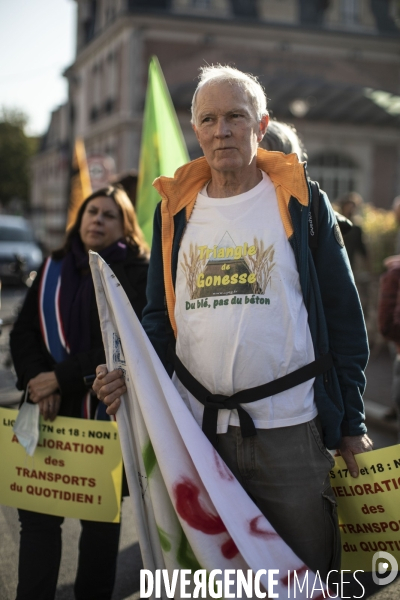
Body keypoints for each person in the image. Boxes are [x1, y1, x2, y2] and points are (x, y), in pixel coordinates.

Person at [93, 66, 372, 580]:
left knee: (304, 580)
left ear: (260, 124)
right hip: (197, 434)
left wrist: (352, 423)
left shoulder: (304, 203)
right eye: (209, 119)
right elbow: (159, 319)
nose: (221, 130)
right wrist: (128, 377)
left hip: (290, 431)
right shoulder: (173, 210)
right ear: (195, 130)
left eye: (235, 117)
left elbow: (345, 320)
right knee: (215, 584)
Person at [10, 185, 149, 600]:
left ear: (124, 225)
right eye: (92, 211)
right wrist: (39, 381)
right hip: (45, 413)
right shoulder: (53, 266)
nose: (97, 220)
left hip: (103, 411)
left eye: (109, 214)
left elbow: (130, 343)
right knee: (36, 522)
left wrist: (62, 377)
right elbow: (23, 334)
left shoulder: (138, 273)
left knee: (99, 527)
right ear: (80, 218)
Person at [337, 192, 368, 269]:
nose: (350, 210)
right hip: (335, 260)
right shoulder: (335, 224)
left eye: (352, 207)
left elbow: (362, 249)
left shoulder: (356, 229)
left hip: (349, 263)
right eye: (347, 206)